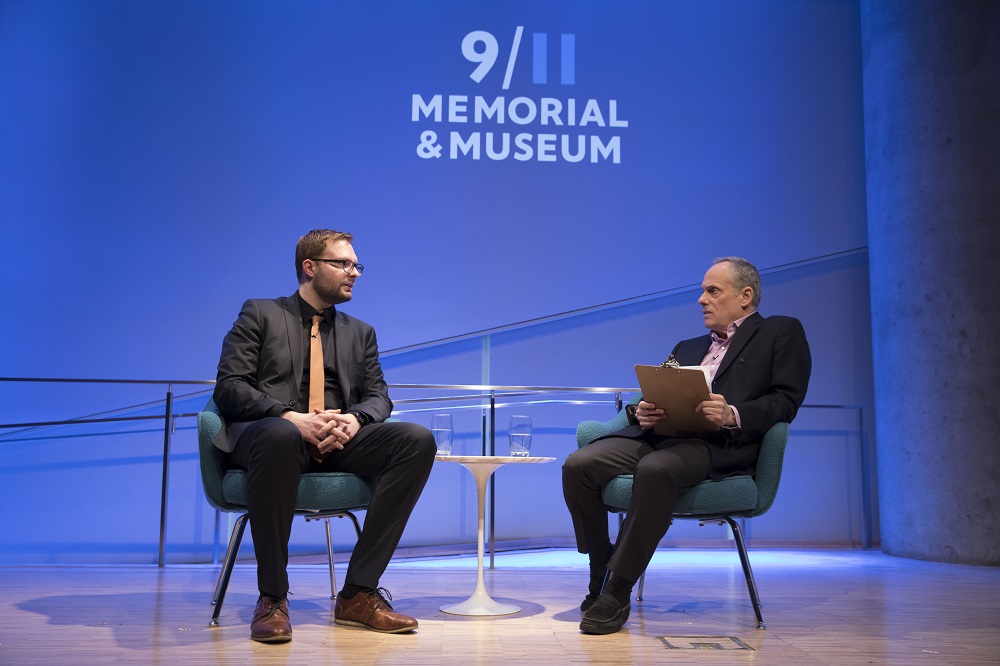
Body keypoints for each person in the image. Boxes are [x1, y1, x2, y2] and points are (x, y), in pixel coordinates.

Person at [562, 257, 811, 635]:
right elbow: (653, 393)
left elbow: (786, 400)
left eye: (713, 291)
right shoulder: (688, 345)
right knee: (578, 466)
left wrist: (731, 413)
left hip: (718, 445)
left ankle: (617, 590)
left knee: (656, 469)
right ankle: (602, 563)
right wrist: (641, 411)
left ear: (745, 296)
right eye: (702, 290)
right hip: (662, 436)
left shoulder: (781, 332)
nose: (701, 299)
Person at [212, 229, 436, 643]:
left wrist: (355, 420)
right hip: (271, 439)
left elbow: (378, 397)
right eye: (344, 264)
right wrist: (290, 417)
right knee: (280, 435)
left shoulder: (360, 332)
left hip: (337, 440)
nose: (354, 273)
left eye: (357, 266)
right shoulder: (260, 313)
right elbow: (230, 386)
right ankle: (273, 597)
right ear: (310, 267)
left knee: (416, 440)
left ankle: (357, 593)